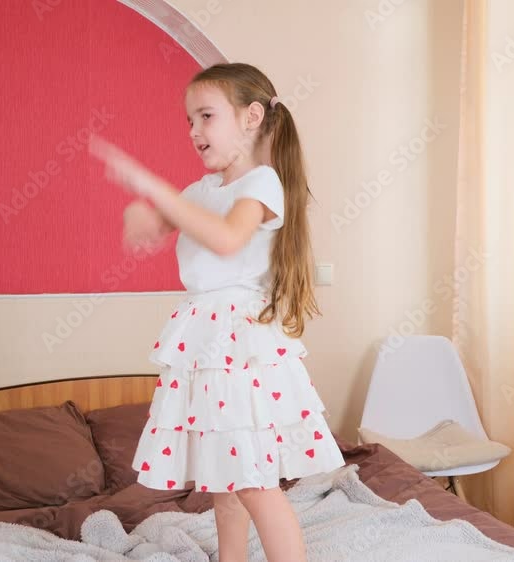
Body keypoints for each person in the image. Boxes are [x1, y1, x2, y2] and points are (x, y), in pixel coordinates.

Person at [89, 62, 345, 562]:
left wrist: (154, 189)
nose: (193, 131)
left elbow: (227, 238)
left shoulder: (262, 183)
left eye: (206, 116)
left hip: (237, 343)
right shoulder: (200, 192)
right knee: (226, 481)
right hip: (207, 342)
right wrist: (144, 213)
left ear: (252, 117)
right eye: (189, 120)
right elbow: (169, 221)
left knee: (252, 482)